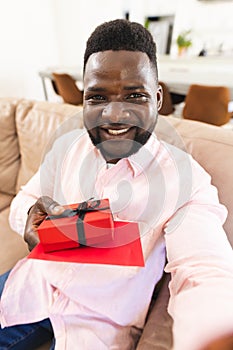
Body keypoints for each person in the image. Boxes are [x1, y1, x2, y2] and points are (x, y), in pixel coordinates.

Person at [0, 19, 233, 350]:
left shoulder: (185, 181)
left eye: (135, 95)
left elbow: (204, 272)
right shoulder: (69, 146)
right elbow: (26, 200)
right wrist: (28, 217)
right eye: (97, 98)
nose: (114, 115)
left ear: (157, 97)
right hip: (30, 286)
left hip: (95, 324)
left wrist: (215, 336)